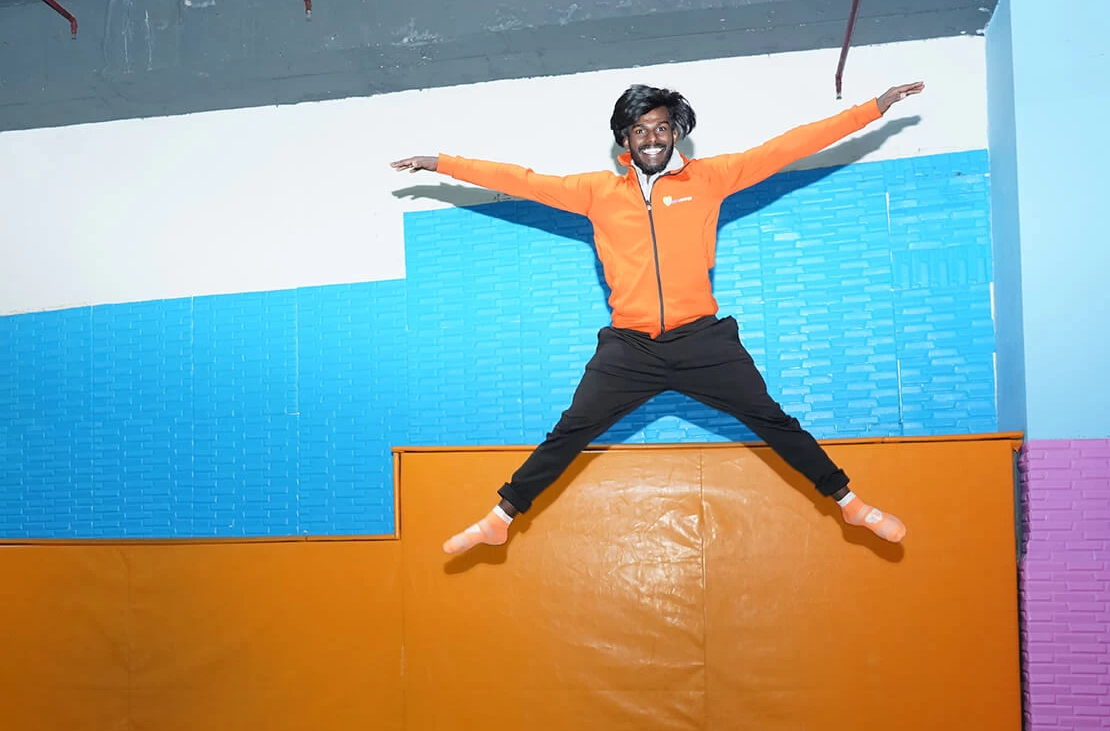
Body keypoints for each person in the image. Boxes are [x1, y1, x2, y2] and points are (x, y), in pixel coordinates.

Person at [391, 80, 924, 555]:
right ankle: (499, 519)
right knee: (571, 430)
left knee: (771, 420)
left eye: (663, 127)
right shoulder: (597, 193)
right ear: (625, 139)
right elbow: (522, 179)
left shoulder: (711, 179)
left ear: (677, 133)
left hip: (702, 341)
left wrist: (872, 108)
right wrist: (440, 162)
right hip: (631, 348)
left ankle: (849, 504)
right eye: (640, 129)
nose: (652, 138)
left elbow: (787, 147)